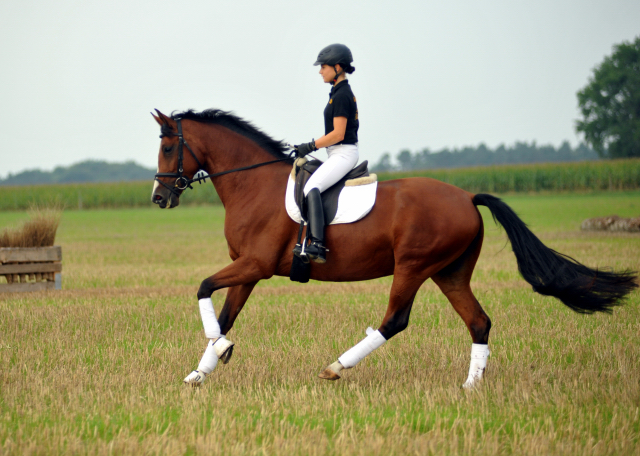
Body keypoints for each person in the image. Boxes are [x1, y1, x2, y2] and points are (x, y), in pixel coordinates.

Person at [295, 43, 359, 264]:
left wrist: (310, 146)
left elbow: (338, 134)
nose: (320, 71)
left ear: (337, 67)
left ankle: (318, 245)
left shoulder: (341, 95)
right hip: (336, 153)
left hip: (343, 152)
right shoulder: (337, 92)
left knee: (311, 187)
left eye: (323, 66)